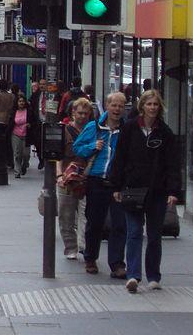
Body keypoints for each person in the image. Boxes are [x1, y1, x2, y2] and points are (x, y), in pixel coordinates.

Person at [110, 89, 181, 293]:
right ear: (142, 106)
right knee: (134, 232)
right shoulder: (130, 128)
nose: (152, 108)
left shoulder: (165, 132)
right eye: (149, 104)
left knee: (154, 235)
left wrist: (173, 191)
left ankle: (154, 276)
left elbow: (172, 164)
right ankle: (133, 275)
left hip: (157, 191)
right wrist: (116, 186)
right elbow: (120, 158)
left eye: (155, 104)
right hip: (133, 188)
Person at [73, 91, 128, 277]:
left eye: (121, 106)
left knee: (119, 224)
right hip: (96, 181)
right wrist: (92, 146)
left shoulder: (127, 130)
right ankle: (90, 258)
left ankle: (117, 264)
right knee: (95, 222)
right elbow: (77, 148)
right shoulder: (94, 127)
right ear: (107, 105)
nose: (117, 109)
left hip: (118, 183)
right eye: (114, 105)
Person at [57, 98, 95, 260]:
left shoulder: (93, 130)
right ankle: (70, 247)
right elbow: (58, 155)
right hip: (67, 177)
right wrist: (59, 175)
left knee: (85, 214)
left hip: (87, 177)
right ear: (73, 112)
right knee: (66, 215)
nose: (83, 116)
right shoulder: (64, 130)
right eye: (80, 113)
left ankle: (83, 246)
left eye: (86, 113)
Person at [10, 95, 34, 177]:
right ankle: (17, 171)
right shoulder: (14, 112)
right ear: (17, 103)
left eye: (23, 101)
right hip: (15, 134)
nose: (21, 103)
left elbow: (34, 122)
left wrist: (30, 125)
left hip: (26, 135)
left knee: (26, 154)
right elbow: (11, 122)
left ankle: (24, 165)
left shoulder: (29, 111)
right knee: (17, 154)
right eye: (20, 101)